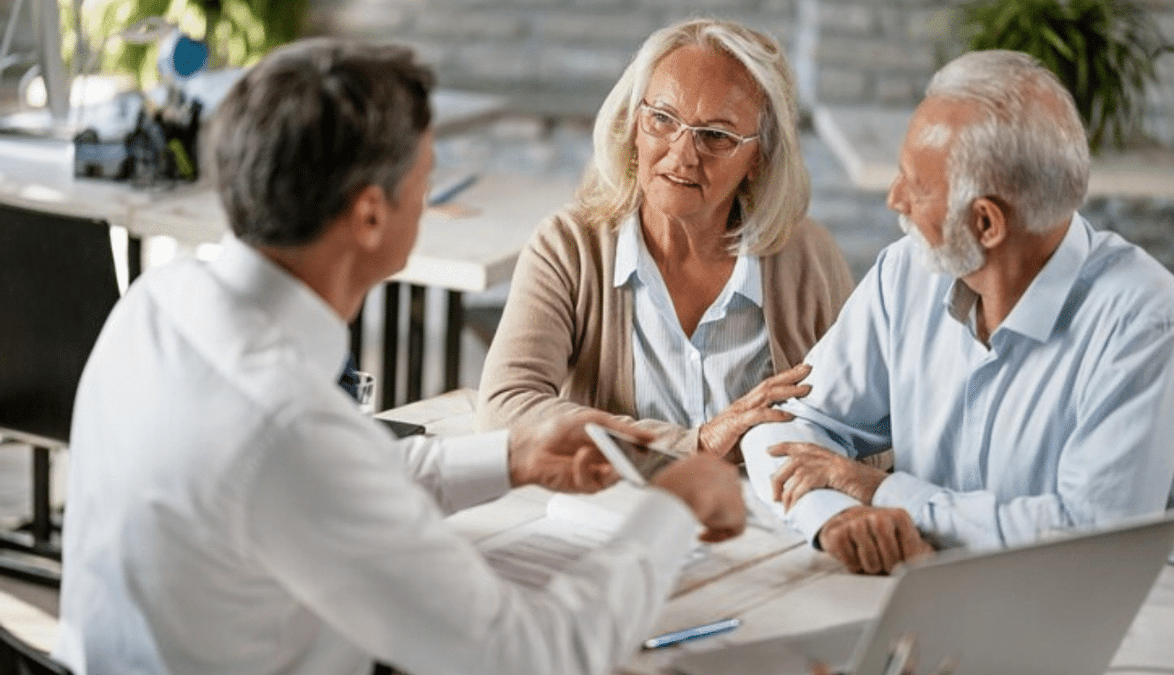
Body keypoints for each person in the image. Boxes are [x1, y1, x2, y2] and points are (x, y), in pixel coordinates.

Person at [54, 38, 748, 675]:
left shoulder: (156, 304)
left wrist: (511, 456)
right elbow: (533, 655)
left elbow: (326, 482)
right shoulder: (287, 420)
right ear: (369, 216)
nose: (431, 191)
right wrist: (671, 508)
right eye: (426, 176)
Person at [742, 49, 1174, 575]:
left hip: (1098, 621)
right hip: (925, 593)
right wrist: (835, 515)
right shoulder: (906, 272)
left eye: (914, 185)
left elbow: (1092, 539)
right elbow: (783, 422)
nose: (894, 200)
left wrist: (889, 492)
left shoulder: (1142, 319)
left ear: (986, 224)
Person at [477, 18, 855, 460]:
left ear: (760, 157)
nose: (682, 155)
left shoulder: (809, 258)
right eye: (661, 119)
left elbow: (865, 429)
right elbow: (505, 409)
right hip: (616, 513)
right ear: (632, 125)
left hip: (765, 521)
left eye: (716, 136)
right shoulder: (569, 247)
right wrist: (694, 444)